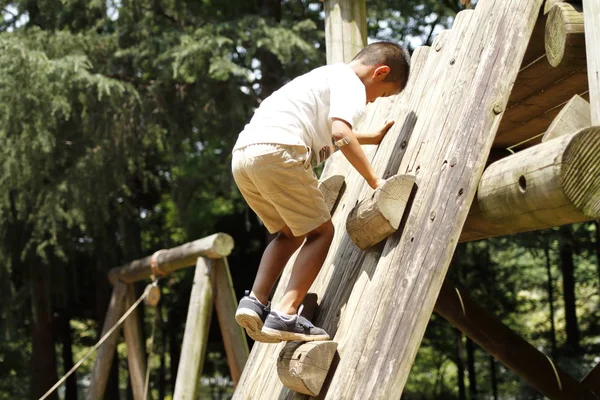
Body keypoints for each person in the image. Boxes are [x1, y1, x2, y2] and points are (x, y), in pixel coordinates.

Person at [232, 41, 410, 343]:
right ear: (380, 73)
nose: (370, 103)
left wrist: (371, 137)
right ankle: (286, 314)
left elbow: (331, 132)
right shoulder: (352, 84)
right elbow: (341, 132)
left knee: (290, 233)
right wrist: (374, 181)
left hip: (244, 158)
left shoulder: (324, 79)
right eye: (380, 95)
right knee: (321, 233)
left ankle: (255, 301)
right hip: (280, 151)